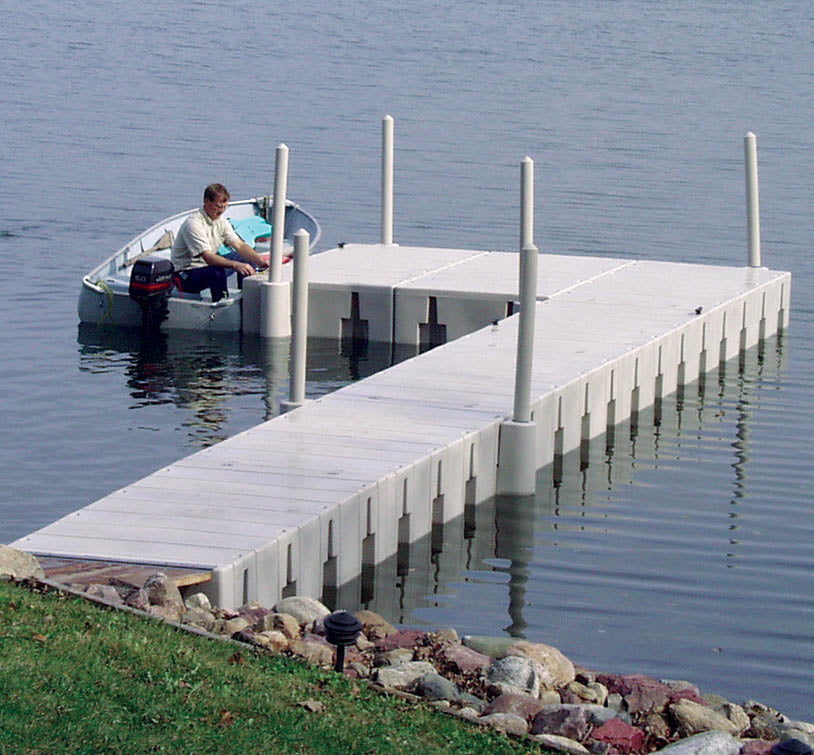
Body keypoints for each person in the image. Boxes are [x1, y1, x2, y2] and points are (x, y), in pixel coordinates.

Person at [170, 183, 268, 302]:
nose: (221, 211)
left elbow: (239, 245)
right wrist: (236, 265)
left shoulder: (221, 221)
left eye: (224, 207)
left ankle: (247, 300)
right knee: (217, 272)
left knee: (245, 259)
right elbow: (208, 257)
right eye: (218, 207)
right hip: (186, 273)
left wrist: (261, 262)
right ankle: (222, 303)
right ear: (206, 202)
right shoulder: (194, 224)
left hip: (207, 266)